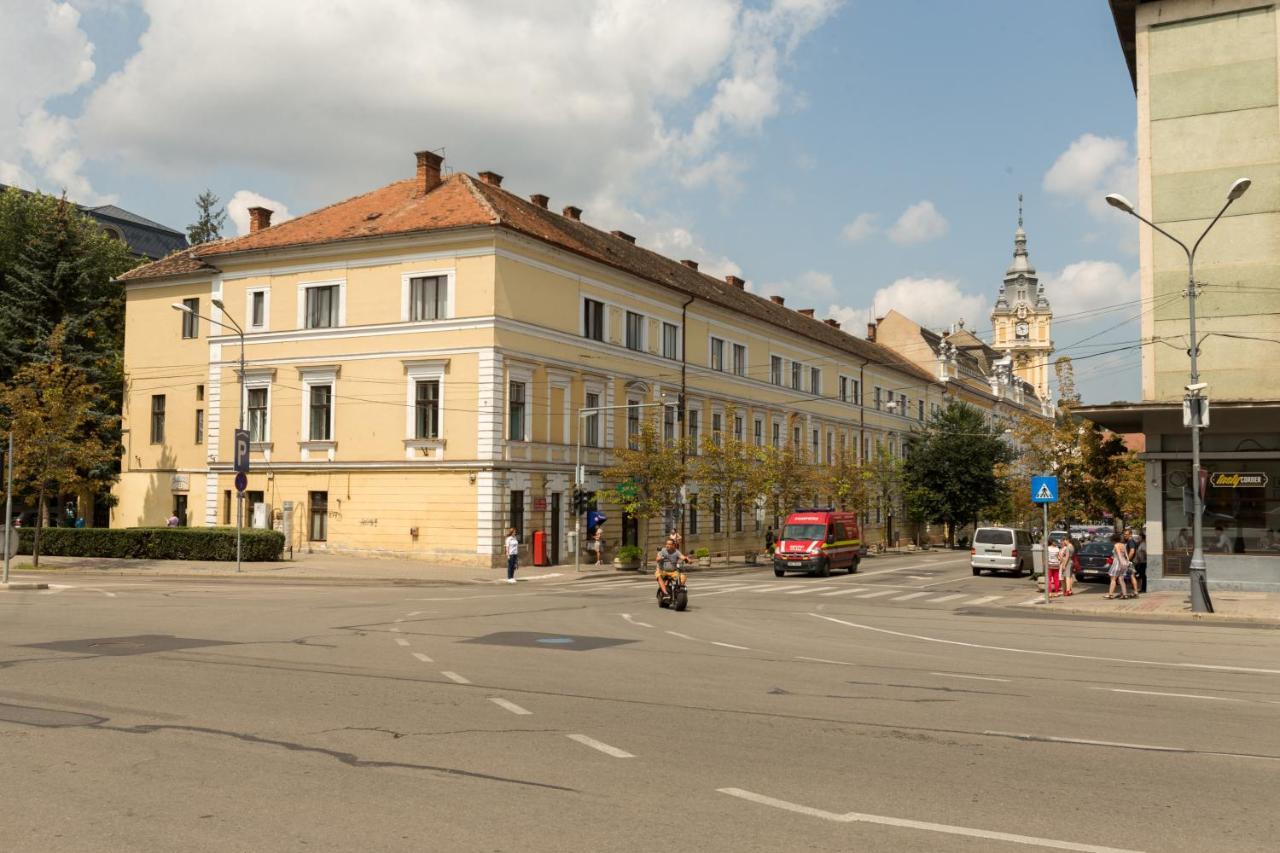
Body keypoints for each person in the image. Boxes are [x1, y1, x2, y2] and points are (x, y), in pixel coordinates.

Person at [1106, 531, 1132, 599]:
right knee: (1121, 579)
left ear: (1113, 539)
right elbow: (1126, 554)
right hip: (1124, 562)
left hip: (1118, 563)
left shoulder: (1116, 545)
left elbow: (1118, 554)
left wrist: (1120, 562)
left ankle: (1110, 594)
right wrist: (1127, 562)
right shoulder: (1123, 545)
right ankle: (1125, 594)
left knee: (1113, 579)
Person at [1123, 528, 1140, 598]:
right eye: (1124, 534)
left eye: (1126, 534)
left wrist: (1127, 560)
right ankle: (1134, 591)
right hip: (1131, 561)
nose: (1125, 536)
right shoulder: (1130, 541)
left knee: (1132, 576)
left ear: (1130, 534)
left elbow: (1132, 551)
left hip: (1130, 562)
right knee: (1131, 576)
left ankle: (1135, 592)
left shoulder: (1131, 541)